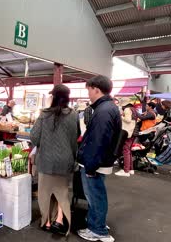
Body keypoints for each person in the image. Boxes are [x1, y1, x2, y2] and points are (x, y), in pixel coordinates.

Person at [77, 75, 121, 242]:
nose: (88, 93)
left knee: (95, 196)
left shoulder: (103, 111)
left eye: (89, 89)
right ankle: (98, 223)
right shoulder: (109, 107)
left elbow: (98, 141)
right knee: (98, 195)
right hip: (101, 161)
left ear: (96, 88)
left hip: (95, 163)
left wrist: (90, 166)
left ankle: (98, 230)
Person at [30, 84, 79, 236]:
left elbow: (34, 137)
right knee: (62, 192)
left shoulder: (44, 114)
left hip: (46, 160)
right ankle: (59, 219)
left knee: (45, 192)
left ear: (54, 97)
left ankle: (47, 222)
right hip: (65, 160)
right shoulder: (74, 114)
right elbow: (75, 138)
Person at [115, 98, 137, 177]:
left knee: (126, 150)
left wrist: (121, 116)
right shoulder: (133, 109)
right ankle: (131, 169)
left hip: (127, 132)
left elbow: (128, 120)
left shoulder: (127, 109)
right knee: (129, 150)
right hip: (133, 131)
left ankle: (126, 170)